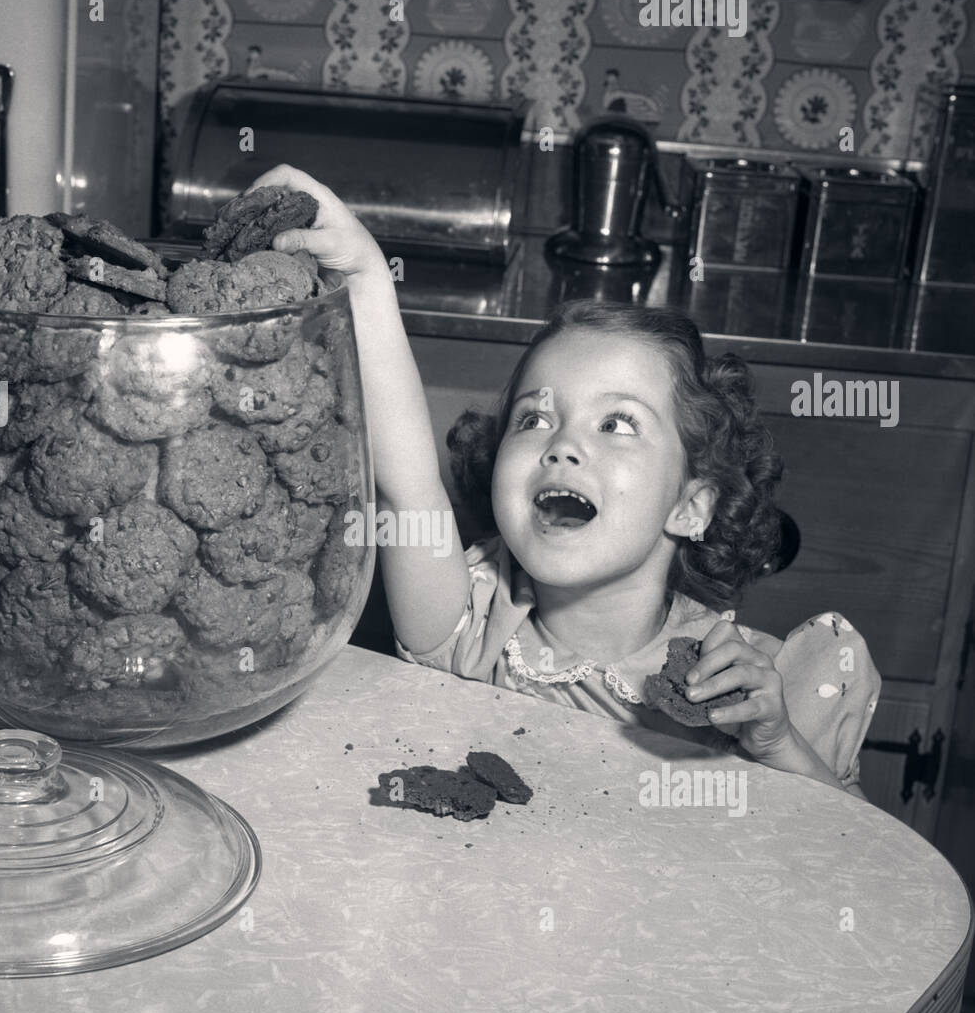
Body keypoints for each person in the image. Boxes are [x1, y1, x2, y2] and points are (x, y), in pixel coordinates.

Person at [252, 165, 880, 798]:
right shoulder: (470, 624)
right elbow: (409, 483)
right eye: (535, 418)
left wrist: (777, 746)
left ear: (691, 505)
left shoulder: (743, 687)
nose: (564, 444)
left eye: (618, 422)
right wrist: (365, 279)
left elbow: (854, 853)